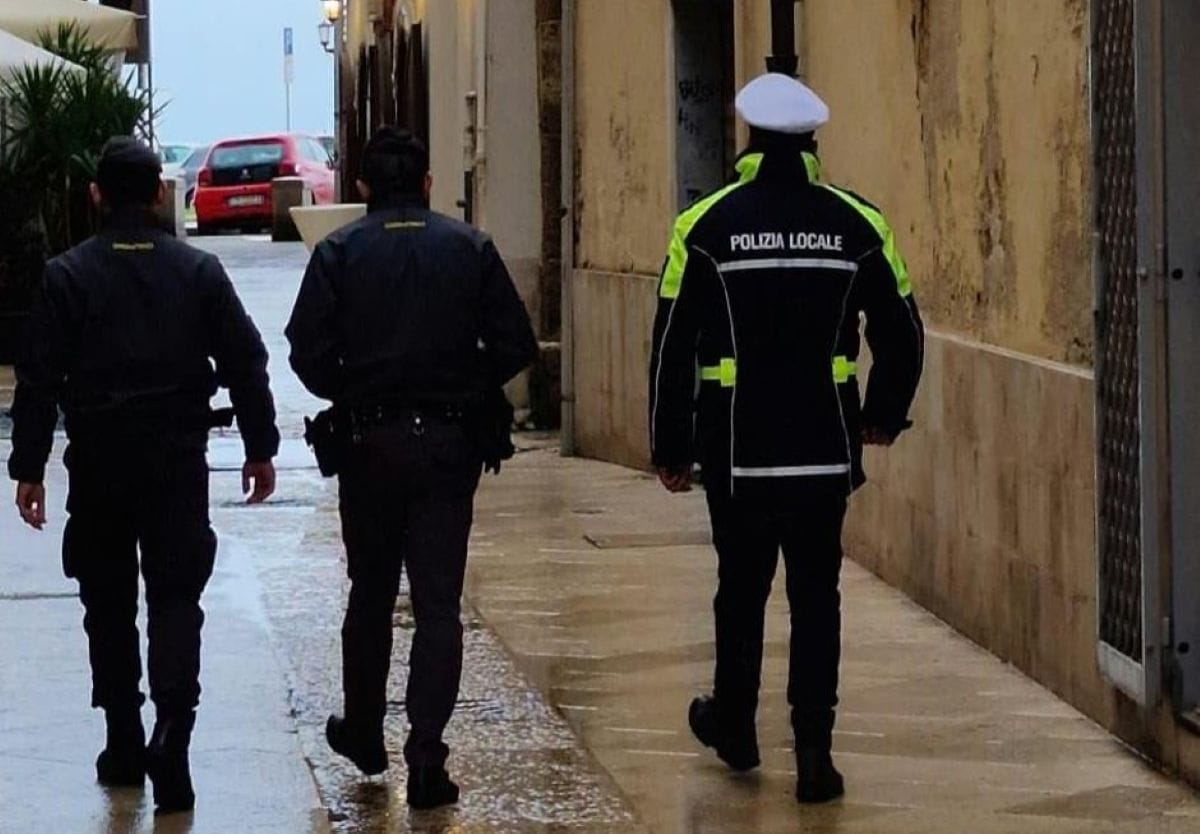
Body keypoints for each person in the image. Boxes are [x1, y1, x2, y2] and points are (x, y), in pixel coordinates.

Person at [648, 74, 924, 803]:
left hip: (737, 449)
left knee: (739, 590)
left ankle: (735, 724)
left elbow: (673, 345)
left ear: (746, 137)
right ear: (811, 141)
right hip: (824, 448)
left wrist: (671, 447)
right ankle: (814, 753)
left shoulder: (703, 226)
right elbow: (904, 332)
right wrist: (882, 415)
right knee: (816, 596)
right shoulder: (858, 223)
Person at [8, 137, 279, 814]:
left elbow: (39, 378)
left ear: (96, 195)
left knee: (107, 604)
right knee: (176, 599)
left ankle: (124, 738)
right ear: (161, 194)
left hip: (99, 461)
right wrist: (260, 446)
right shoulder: (198, 272)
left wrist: (29, 467)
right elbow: (246, 361)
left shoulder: (67, 276)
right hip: (175, 460)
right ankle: (174, 735)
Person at [285, 127, 537, 809]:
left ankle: (365, 731)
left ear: (362, 187)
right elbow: (516, 344)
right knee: (437, 605)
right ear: (426, 184)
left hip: (368, 443)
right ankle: (427, 756)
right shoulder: (469, 248)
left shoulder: (339, 251)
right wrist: (466, 384)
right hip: (449, 445)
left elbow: (304, 351)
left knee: (369, 594)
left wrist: (354, 386)